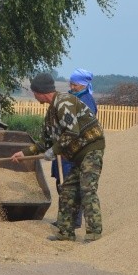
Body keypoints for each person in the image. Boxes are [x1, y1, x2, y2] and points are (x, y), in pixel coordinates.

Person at [13, 72, 105, 243]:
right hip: (77, 155)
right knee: (67, 191)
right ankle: (65, 232)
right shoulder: (51, 113)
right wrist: (25, 153)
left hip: (91, 149)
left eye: (34, 93)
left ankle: (94, 233)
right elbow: (45, 141)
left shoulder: (64, 103)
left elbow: (72, 131)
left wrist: (54, 151)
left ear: (41, 92)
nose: (33, 96)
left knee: (87, 189)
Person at [50, 67, 99, 230]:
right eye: (71, 83)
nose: (71, 86)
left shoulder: (87, 101)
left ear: (83, 84)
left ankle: (73, 221)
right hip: (65, 148)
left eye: (74, 84)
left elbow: (80, 128)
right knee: (61, 183)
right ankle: (65, 219)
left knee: (71, 186)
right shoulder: (72, 97)